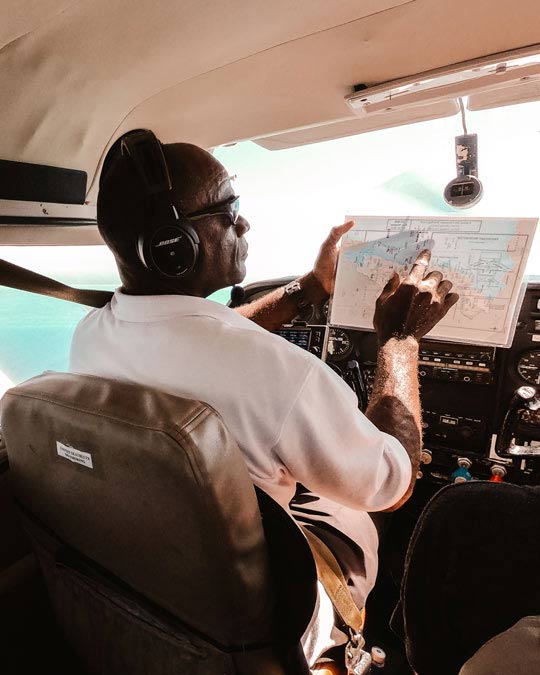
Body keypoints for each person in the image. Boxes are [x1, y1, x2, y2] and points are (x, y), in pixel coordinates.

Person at [69, 129, 458, 667]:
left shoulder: (91, 333)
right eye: (229, 209)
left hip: (155, 578)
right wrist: (400, 340)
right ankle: (338, 642)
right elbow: (392, 483)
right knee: (359, 509)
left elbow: (198, 336)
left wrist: (310, 288)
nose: (244, 224)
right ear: (173, 246)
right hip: (259, 616)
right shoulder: (279, 374)